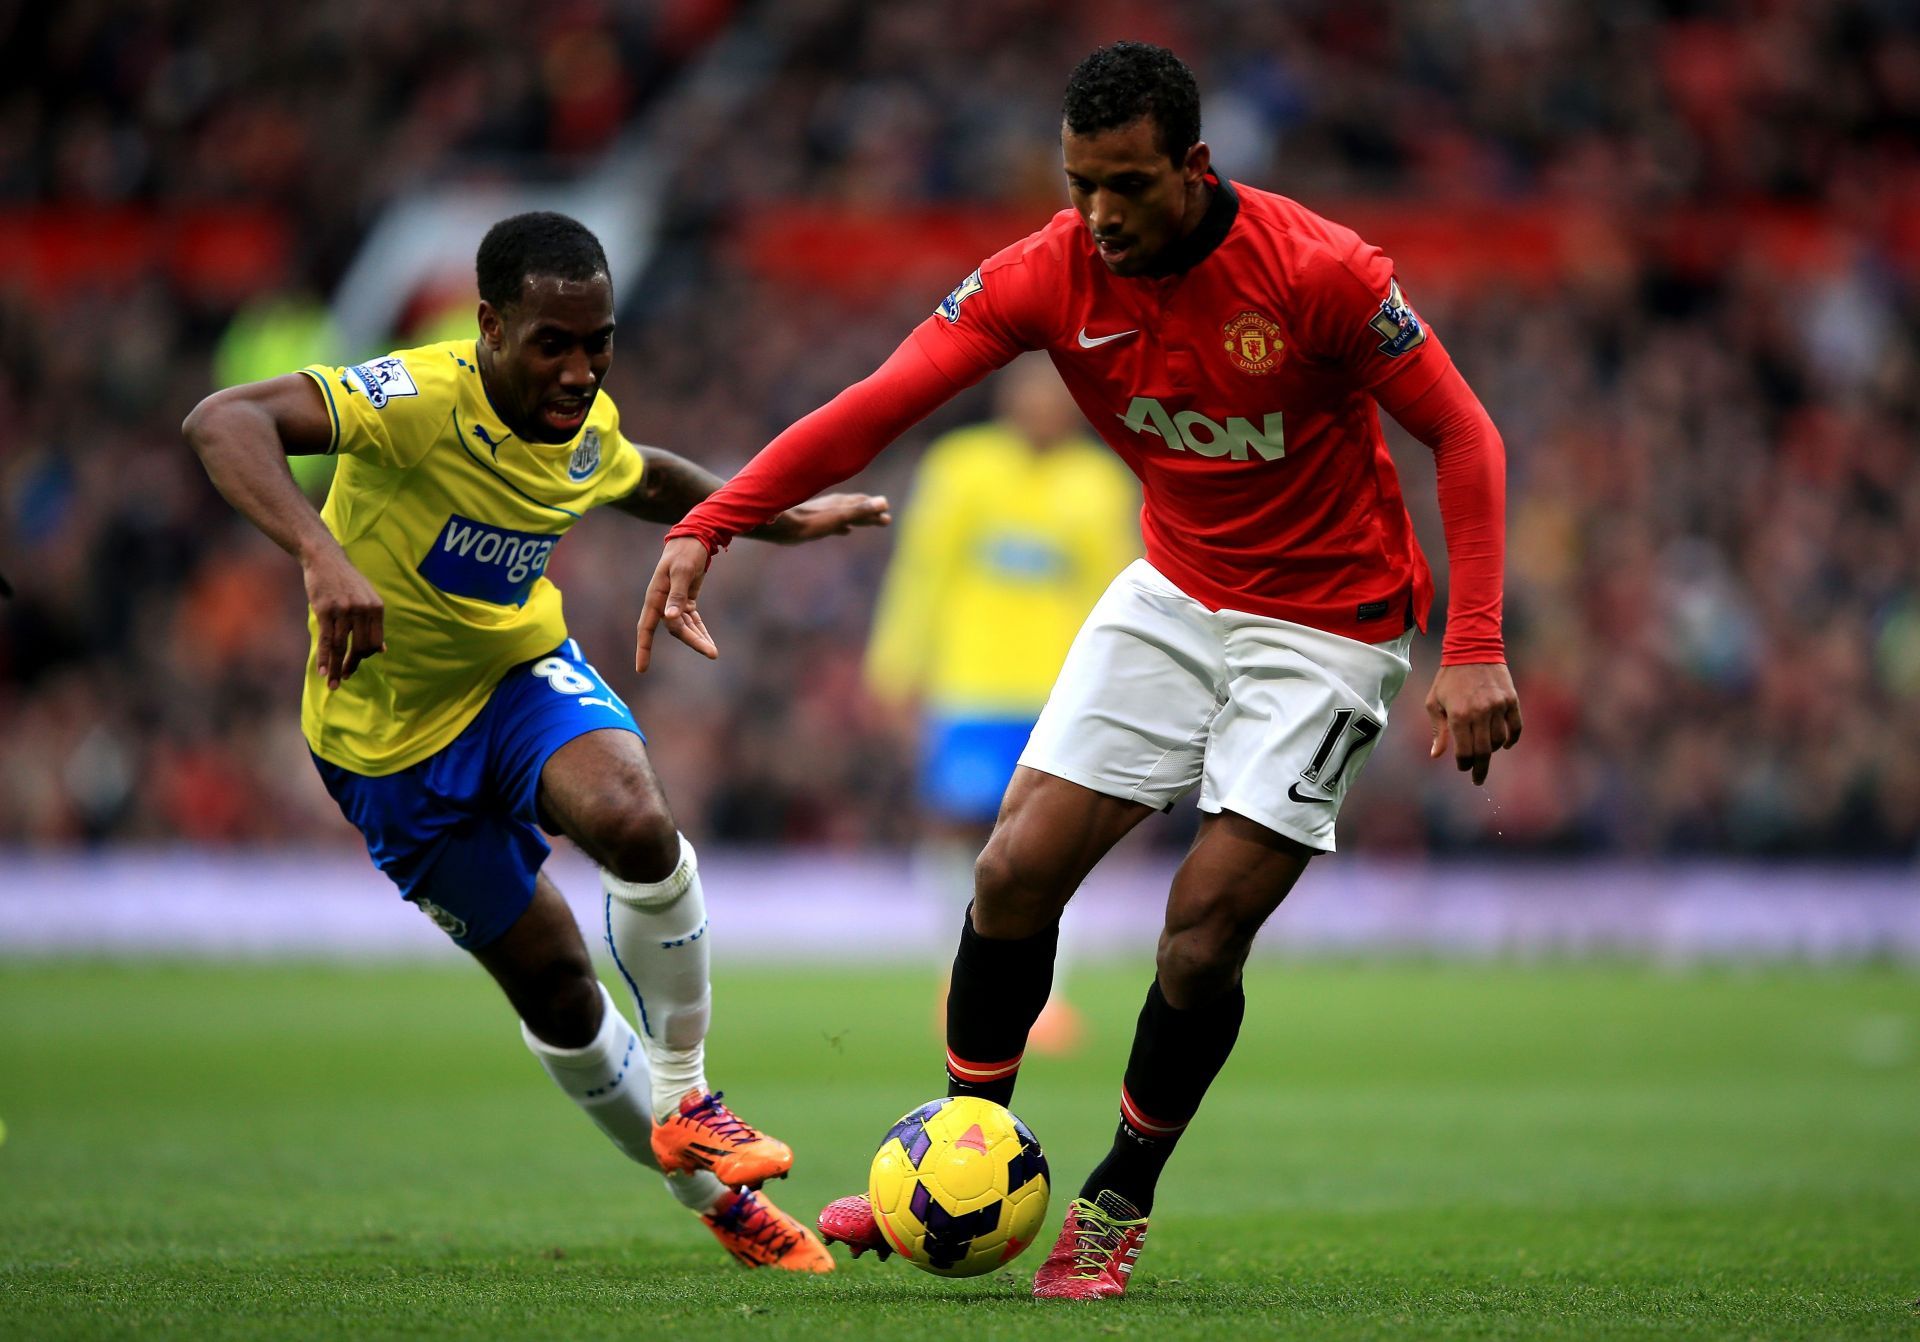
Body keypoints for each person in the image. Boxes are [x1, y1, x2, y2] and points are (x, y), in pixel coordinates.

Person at [636, 43, 1522, 1300]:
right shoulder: (1050, 271)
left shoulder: (1319, 272)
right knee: (1010, 869)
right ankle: (956, 1156)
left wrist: (1475, 642)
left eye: (1128, 185)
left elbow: (1463, 432)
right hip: (1175, 590)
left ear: (1194, 168)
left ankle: (1116, 1200)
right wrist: (712, 520)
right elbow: (882, 398)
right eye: (1079, 182)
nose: (1099, 212)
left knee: (1199, 938)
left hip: (1329, 626)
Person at [183, 211, 890, 1272]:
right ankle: (708, 1196)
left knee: (633, 818)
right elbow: (221, 420)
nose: (579, 368)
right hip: (386, 753)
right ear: (489, 326)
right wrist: (322, 554)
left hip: (514, 682)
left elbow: (639, 471)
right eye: (552, 342)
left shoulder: (583, 422)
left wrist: (772, 518)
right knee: (559, 983)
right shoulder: (416, 397)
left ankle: (691, 1095)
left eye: (598, 340)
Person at [864, 354, 1138, 1053]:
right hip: (971, 685)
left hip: (1062, 691)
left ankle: (1045, 998)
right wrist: (896, 666)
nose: (1043, 407)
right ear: (1007, 399)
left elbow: (1121, 593)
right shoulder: (960, 468)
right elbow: (922, 570)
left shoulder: (1100, 482)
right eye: (1031, 393)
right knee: (956, 830)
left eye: (1057, 396)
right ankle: (953, 976)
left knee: (1053, 847)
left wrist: (1125, 685)